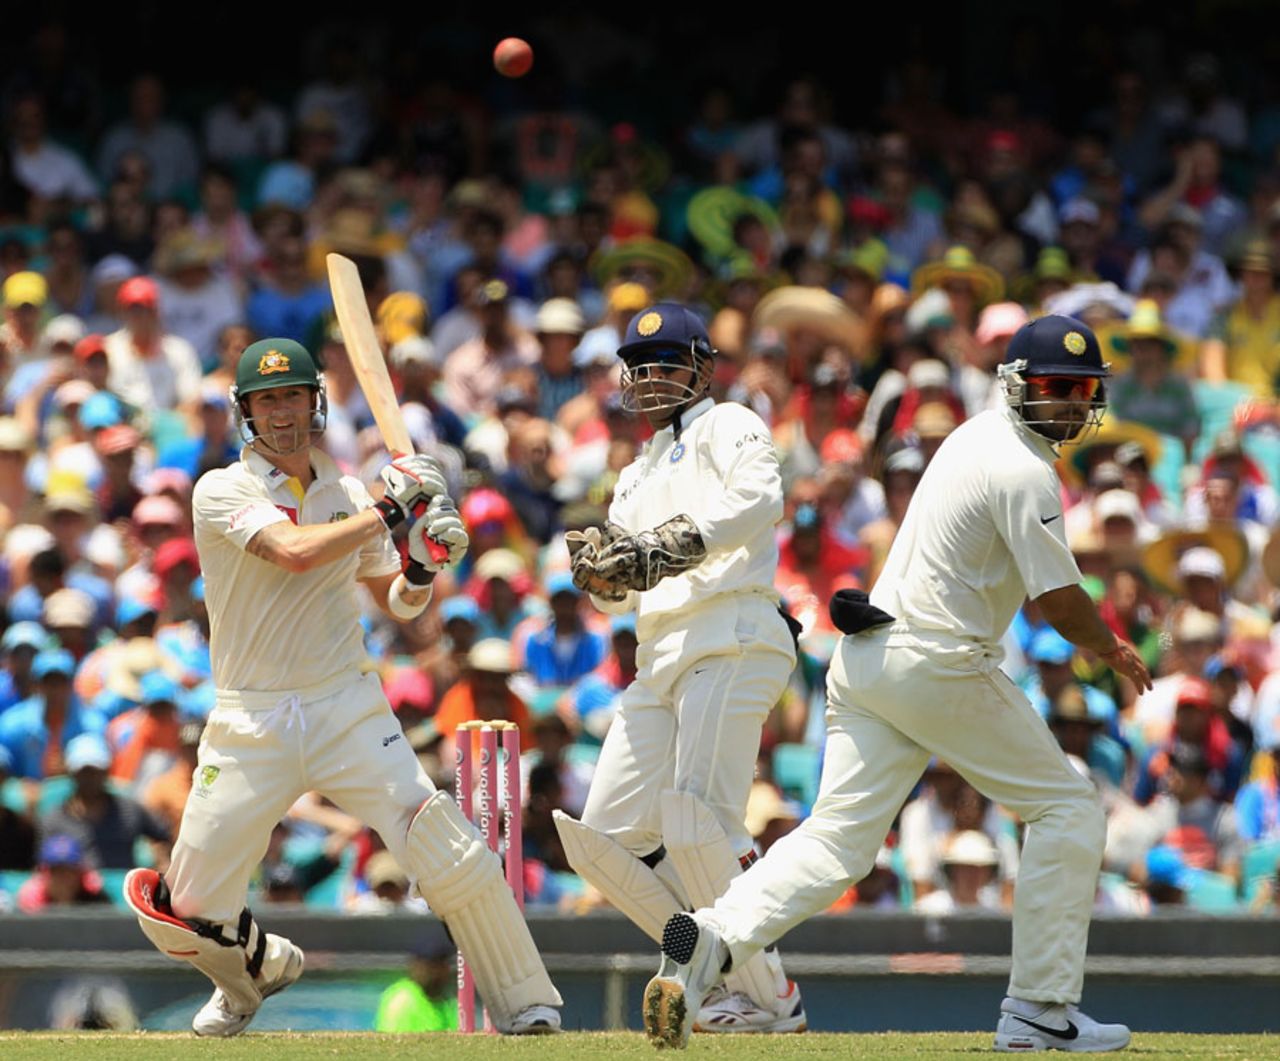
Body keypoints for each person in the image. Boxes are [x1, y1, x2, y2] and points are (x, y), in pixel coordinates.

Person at [641, 315, 1153, 1052]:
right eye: (1056, 387)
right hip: (935, 661)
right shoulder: (1025, 467)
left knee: (838, 843)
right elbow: (1059, 601)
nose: (1070, 404)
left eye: (1083, 390)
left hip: (871, 657)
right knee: (1069, 810)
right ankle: (1040, 1010)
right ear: (1016, 385)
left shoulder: (974, 435)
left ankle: (709, 939)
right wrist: (1110, 646)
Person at [122, 337, 561, 1038]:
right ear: (246, 412)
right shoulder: (221, 489)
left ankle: (527, 1003)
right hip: (251, 716)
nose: (283, 413)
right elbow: (293, 553)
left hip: (345, 703)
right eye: (267, 400)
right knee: (179, 906)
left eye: (293, 395)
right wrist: (393, 510)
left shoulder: (347, 492)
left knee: (439, 836)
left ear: (315, 401)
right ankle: (252, 971)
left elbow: (397, 602)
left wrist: (422, 563)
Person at [556, 303, 806, 1034]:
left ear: (702, 366)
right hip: (659, 654)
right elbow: (628, 589)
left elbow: (760, 499)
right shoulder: (633, 473)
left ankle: (771, 999)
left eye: (669, 362)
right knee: (602, 837)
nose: (655, 377)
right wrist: (606, 582)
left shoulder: (730, 424)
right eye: (642, 366)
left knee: (699, 825)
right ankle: (713, 962)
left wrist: (670, 543)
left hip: (731, 631)